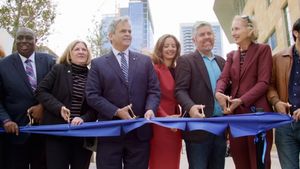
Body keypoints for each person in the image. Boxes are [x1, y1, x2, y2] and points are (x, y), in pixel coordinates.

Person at [85, 16, 160, 169]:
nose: (128, 34)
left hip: (139, 132)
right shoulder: (98, 64)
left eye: (129, 31)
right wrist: (116, 111)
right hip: (110, 133)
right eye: (123, 31)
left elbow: (154, 90)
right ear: (111, 36)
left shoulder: (144, 61)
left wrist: (150, 109)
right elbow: (92, 95)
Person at [215, 15, 273, 169]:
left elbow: (263, 83)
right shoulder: (231, 56)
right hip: (236, 117)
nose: (233, 32)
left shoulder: (263, 49)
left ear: (250, 29)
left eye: (237, 28)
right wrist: (219, 93)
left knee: (259, 162)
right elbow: (223, 78)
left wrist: (241, 100)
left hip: (257, 115)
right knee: (240, 162)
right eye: (232, 29)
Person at [0, 27, 55, 169]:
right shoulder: (3, 65)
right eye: (20, 38)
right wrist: (6, 120)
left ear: (36, 41)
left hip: (45, 133)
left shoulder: (50, 61)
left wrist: (43, 106)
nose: (24, 41)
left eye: (28, 38)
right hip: (15, 134)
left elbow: (58, 91)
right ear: (15, 41)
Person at [35, 40, 94, 169]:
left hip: (81, 135)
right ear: (69, 53)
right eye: (77, 49)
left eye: (84, 49)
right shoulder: (58, 69)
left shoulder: (93, 75)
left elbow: (95, 106)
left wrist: (83, 118)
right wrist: (58, 107)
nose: (81, 52)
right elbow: (40, 91)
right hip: (57, 133)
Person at [175, 21, 227, 169]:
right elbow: (180, 90)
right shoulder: (186, 61)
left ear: (214, 37)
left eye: (209, 33)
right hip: (198, 130)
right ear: (194, 40)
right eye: (202, 34)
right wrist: (191, 108)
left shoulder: (222, 61)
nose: (206, 37)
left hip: (220, 127)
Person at [267, 18, 300, 169]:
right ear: (296, 33)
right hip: (285, 124)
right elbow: (269, 85)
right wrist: (276, 101)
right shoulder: (278, 58)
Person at [149, 34, 182, 169]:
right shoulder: (155, 69)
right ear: (160, 49)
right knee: (160, 162)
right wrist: (166, 118)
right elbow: (152, 97)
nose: (170, 49)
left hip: (177, 122)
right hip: (160, 123)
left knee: (174, 161)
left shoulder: (178, 69)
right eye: (166, 46)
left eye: (173, 46)